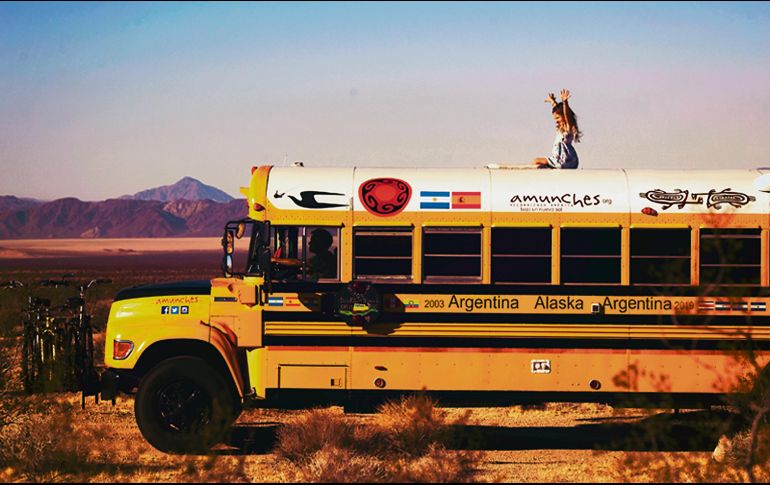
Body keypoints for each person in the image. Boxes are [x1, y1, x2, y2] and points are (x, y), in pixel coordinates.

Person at [533, 89, 582, 169]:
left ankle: (552, 167)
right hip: (566, 160)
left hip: (561, 160)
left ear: (563, 117)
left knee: (535, 161)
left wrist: (565, 103)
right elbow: (558, 110)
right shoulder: (561, 128)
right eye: (555, 118)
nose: (556, 120)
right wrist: (553, 102)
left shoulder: (567, 127)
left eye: (558, 118)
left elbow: (566, 115)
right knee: (540, 164)